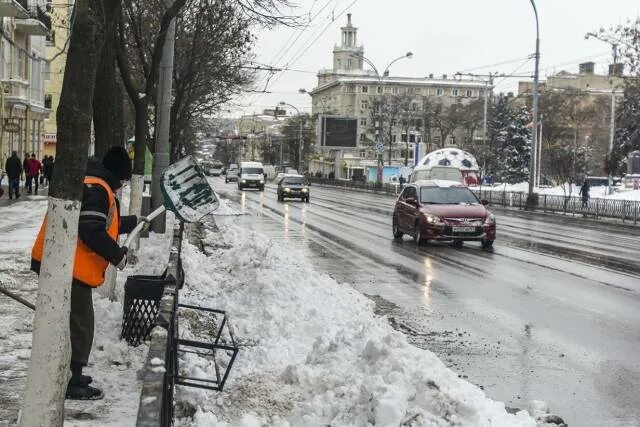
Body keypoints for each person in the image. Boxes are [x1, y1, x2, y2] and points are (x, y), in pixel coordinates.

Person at [31, 146, 148, 400]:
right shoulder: (98, 189)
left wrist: (134, 221)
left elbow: (104, 222)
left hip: (63, 261)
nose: (122, 187)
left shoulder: (94, 184)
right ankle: (72, 381)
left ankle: (70, 373)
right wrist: (117, 255)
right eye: (124, 181)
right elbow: (91, 230)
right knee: (81, 324)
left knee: (75, 321)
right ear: (118, 175)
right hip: (68, 265)